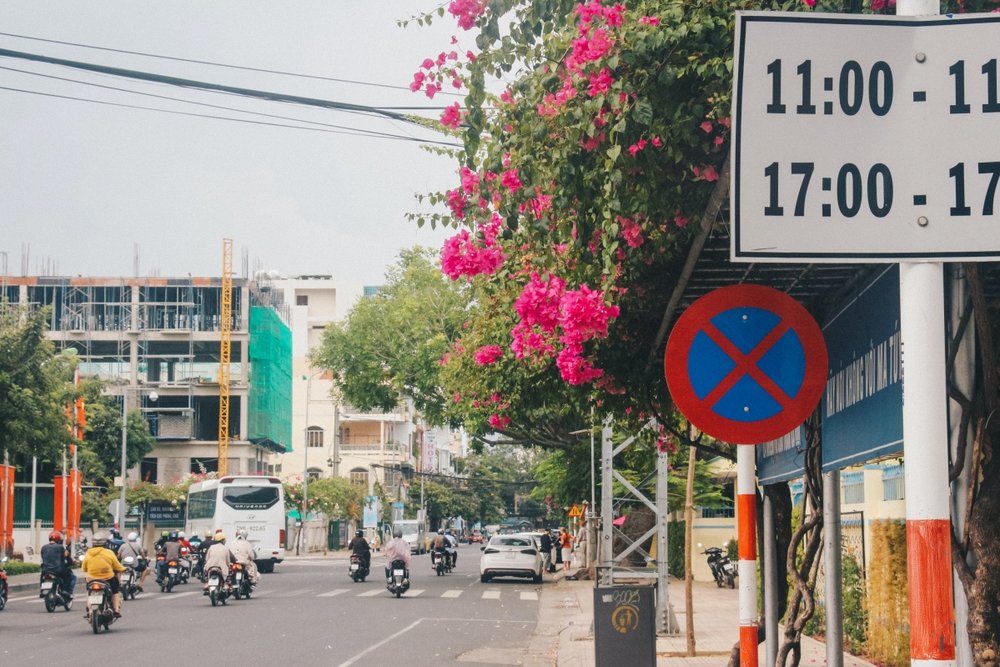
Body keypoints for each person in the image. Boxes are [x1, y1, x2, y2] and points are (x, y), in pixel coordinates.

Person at [82, 530, 125, 618]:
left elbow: (84, 568)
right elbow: (117, 566)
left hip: (92, 579)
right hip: (108, 578)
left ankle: (88, 608)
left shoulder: (88, 553)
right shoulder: (109, 553)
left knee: (89, 591)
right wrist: (124, 569)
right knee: (115, 591)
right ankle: (116, 610)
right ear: (105, 543)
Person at [40, 531, 76, 600]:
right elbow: (67, 557)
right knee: (72, 577)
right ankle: (66, 591)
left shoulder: (43, 547)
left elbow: (43, 558)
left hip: (46, 570)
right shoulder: (61, 547)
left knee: (42, 576)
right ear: (59, 539)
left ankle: (41, 590)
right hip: (58, 571)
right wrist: (71, 562)